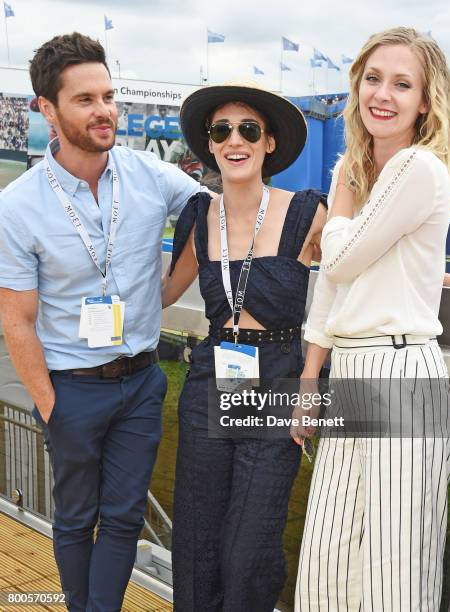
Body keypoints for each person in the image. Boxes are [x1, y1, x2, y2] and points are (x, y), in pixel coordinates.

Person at [0, 33, 201, 611]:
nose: (105, 110)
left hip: (140, 383)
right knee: (74, 519)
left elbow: (212, 215)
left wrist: (169, 289)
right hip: (70, 387)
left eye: (109, 95)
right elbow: (16, 320)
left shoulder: (149, 176)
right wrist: (49, 405)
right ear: (48, 108)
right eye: (85, 99)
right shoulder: (19, 206)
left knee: (123, 517)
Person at [294, 27, 450, 611]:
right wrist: (311, 378)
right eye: (372, 78)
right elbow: (332, 286)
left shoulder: (418, 168)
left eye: (402, 83)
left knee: (392, 574)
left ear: (425, 99)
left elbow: (334, 256)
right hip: (353, 372)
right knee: (328, 557)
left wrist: (339, 197)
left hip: (401, 372)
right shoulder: (362, 169)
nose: (382, 94)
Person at [161, 81, 327, 611]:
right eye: (222, 130)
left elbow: (365, 270)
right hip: (212, 378)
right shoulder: (198, 218)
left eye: (248, 129)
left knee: (248, 547)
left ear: (268, 143)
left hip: (279, 382)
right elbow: (162, 294)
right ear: (210, 144)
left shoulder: (306, 213)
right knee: (197, 539)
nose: (235, 140)